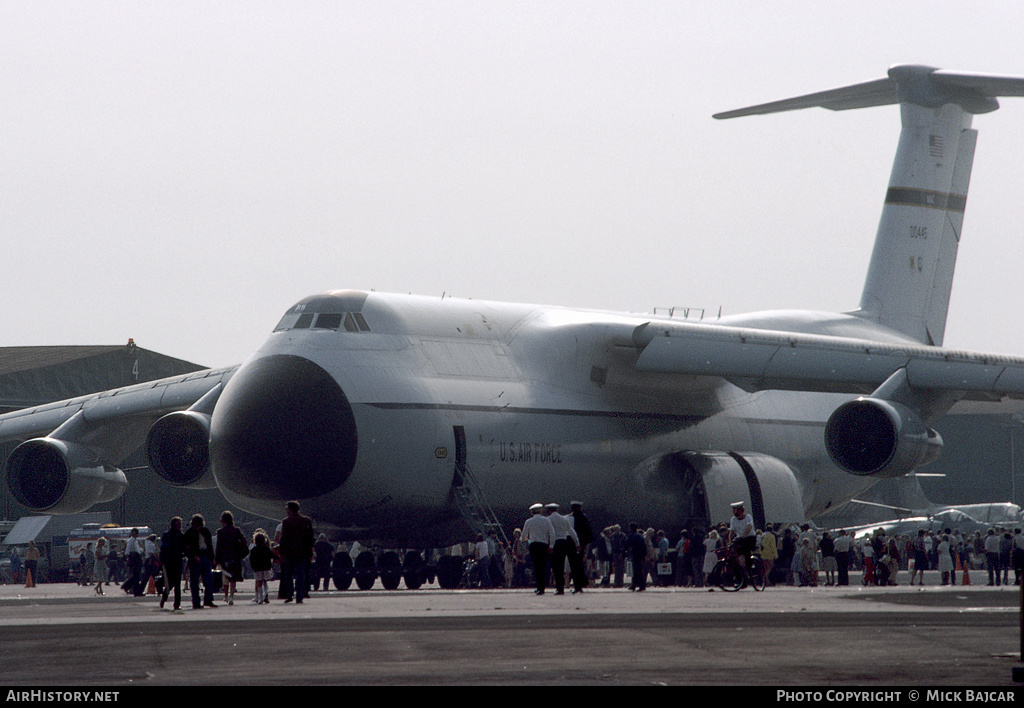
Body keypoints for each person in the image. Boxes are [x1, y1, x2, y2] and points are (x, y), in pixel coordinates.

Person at [278, 501, 315, 603]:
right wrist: (311, 553)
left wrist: (281, 553)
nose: (286, 510)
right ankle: (300, 596)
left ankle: (290, 595)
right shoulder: (306, 520)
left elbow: (283, 539)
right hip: (302, 552)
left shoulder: (286, 521)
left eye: (287, 508)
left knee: (288, 575)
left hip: (290, 553)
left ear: (290, 509)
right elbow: (310, 537)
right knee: (300, 575)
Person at [183, 514, 217, 609]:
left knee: (209, 579)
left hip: (205, 556)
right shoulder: (189, 533)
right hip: (194, 559)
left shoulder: (206, 532)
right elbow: (186, 548)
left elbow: (210, 546)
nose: (198, 528)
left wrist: (212, 558)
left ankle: (208, 600)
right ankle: (196, 602)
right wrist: (193, 555)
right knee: (194, 582)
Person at [215, 510, 249, 605]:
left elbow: (219, 547)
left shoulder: (220, 532)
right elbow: (244, 541)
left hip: (225, 557)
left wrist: (216, 559)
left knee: (226, 578)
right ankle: (231, 597)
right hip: (235, 557)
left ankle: (225, 596)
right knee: (233, 579)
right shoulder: (236, 530)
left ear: (223, 521)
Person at [544, 503, 578, 595]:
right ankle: (561, 587)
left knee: (555, 566)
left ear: (549, 510)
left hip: (554, 543)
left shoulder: (548, 519)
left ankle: (559, 588)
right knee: (561, 564)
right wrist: (577, 543)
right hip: (564, 542)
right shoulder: (564, 519)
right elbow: (571, 531)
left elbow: (547, 532)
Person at [521, 503, 554, 595]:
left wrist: (523, 540)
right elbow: (552, 533)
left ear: (532, 512)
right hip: (543, 545)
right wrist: (551, 545)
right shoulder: (546, 521)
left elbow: (524, 535)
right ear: (540, 511)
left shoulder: (529, 521)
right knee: (543, 566)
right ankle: (542, 586)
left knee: (536, 566)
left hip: (534, 545)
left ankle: (538, 586)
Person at [160, 517, 185, 610]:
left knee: (177, 583)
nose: (179, 526)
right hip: (169, 561)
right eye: (178, 524)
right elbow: (163, 548)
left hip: (178, 560)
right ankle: (164, 597)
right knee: (170, 582)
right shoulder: (167, 535)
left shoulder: (180, 535)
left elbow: (184, 547)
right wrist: (162, 560)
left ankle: (177, 604)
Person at [249, 529, 276, 604]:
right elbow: (272, 556)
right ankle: (266, 595)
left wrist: (253, 568)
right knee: (265, 581)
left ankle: (260, 598)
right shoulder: (266, 548)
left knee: (259, 583)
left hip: (258, 568)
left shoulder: (254, 550)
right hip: (266, 567)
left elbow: (251, 560)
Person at [727, 502, 756, 570]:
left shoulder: (748, 517)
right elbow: (732, 531)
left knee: (746, 552)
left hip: (749, 538)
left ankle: (750, 568)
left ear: (740, 510)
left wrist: (742, 536)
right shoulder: (733, 519)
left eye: (735, 510)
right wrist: (729, 541)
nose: (733, 512)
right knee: (734, 554)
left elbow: (748, 527)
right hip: (740, 539)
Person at [121, 528, 144, 596]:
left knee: (137, 576)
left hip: (137, 558)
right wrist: (129, 559)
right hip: (134, 559)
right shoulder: (131, 541)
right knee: (136, 576)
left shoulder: (134, 541)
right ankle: (128, 586)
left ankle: (134, 590)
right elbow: (127, 551)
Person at [626, 523, 648, 592]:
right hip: (640, 555)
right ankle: (640, 585)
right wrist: (644, 555)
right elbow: (644, 546)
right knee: (640, 570)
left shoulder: (631, 535)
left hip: (635, 554)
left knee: (635, 571)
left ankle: (635, 585)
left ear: (631, 528)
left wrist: (628, 554)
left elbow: (628, 545)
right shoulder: (640, 536)